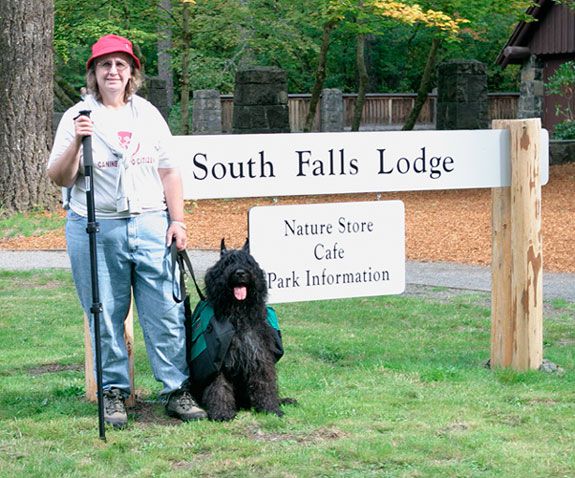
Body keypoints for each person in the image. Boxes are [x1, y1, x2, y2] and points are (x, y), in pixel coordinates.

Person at [48, 34, 206, 428]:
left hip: (150, 222)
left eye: (121, 64)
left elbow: (169, 171)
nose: (113, 71)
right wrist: (77, 143)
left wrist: (178, 220)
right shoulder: (77, 117)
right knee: (104, 313)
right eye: (105, 65)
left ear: (132, 72)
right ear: (94, 73)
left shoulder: (148, 115)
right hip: (95, 226)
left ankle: (176, 390)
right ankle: (113, 393)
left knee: (165, 311)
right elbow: (58, 176)